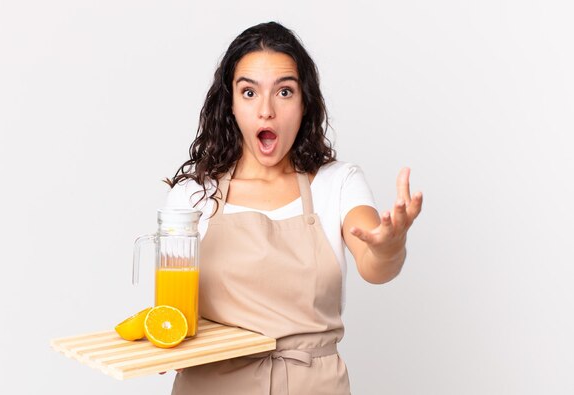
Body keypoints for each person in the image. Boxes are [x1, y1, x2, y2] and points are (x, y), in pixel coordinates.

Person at [163, 21, 423, 395]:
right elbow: (172, 309)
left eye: (284, 91)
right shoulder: (192, 197)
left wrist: (389, 245)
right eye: (249, 92)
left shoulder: (337, 183)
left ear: (305, 103)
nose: (266, 110)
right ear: (230, 104)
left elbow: (374, 263)